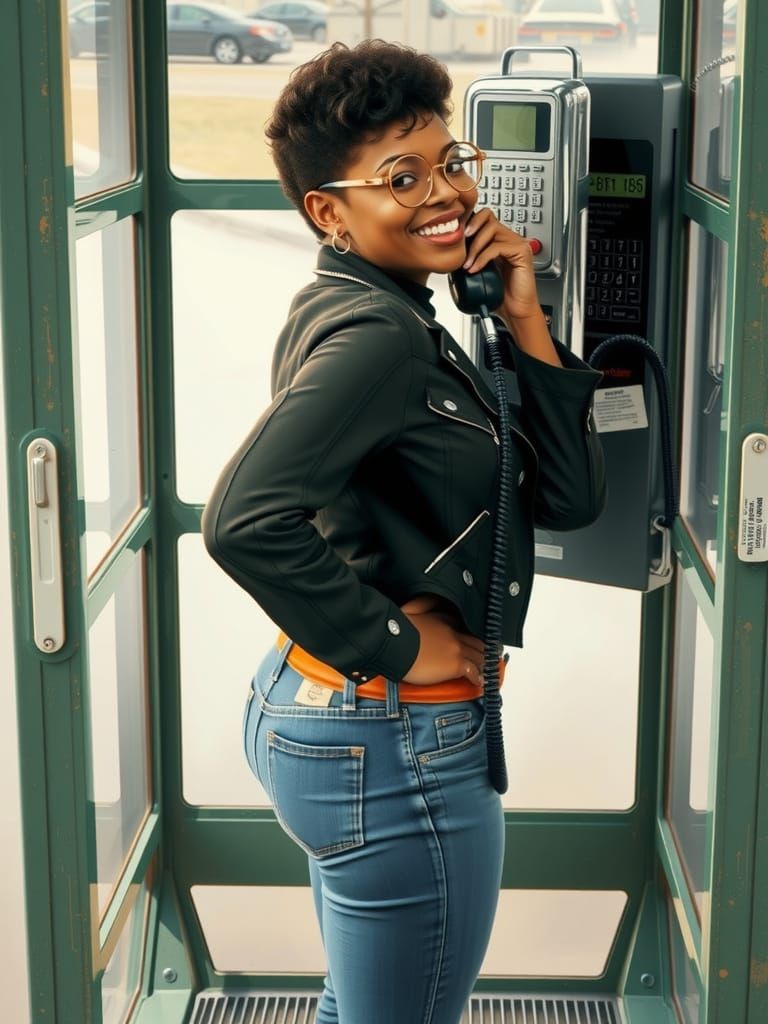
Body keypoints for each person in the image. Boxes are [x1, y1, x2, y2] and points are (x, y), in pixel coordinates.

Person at [202, 39, 605, 1024]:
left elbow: (567, 499)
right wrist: (399, 643)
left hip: (332, 714)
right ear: (328, 212)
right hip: (394, 740)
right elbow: (243, 519)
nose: (448, 193)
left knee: (361, 1005)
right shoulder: (380, 338)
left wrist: (524, 320)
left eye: (449, 161)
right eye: (402, 177)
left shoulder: (374, 307)